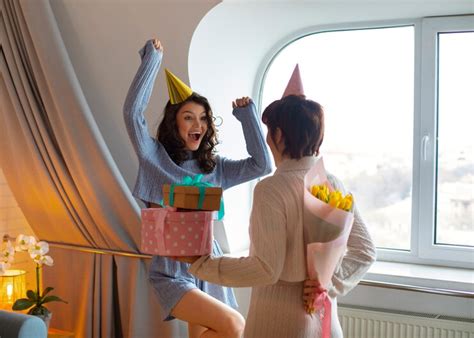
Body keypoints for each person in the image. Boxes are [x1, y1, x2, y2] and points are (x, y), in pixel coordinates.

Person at [177, 66, 376, 338]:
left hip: (279, 323)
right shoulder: (332, 184)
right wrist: (325, 284)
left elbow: (265, 268)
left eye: (269, 130)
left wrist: (203, 264)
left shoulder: (271, 190)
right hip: (325, 324)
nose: (268, 138)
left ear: (279, 135)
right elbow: (365, 251)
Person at [123, 38, 272, 338]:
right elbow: (132, 115)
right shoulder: (153, 158)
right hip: (171, 270)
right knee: (234, 325)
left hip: (208, 265)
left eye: (203, 118)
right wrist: (152, 61)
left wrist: (247, 118)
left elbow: (262, 165)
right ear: (173, 122)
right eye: (188, 117)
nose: (198, 125)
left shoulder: (214, 167)